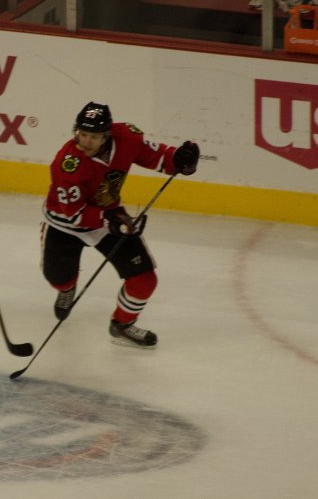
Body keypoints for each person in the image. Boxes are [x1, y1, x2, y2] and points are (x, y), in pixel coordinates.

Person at [41, 102, 199, 349]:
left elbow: (156, 157)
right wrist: (108, 219)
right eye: (82, 134)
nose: (86, 142)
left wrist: (179, 159)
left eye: (93, 136)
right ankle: (67, 288)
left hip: (110, 217)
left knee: (144, 279)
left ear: (106, 135)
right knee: (58, 277)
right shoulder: (67, 164)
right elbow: (73, 214)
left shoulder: (127, 137)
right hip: (65, 224)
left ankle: (122, 325)